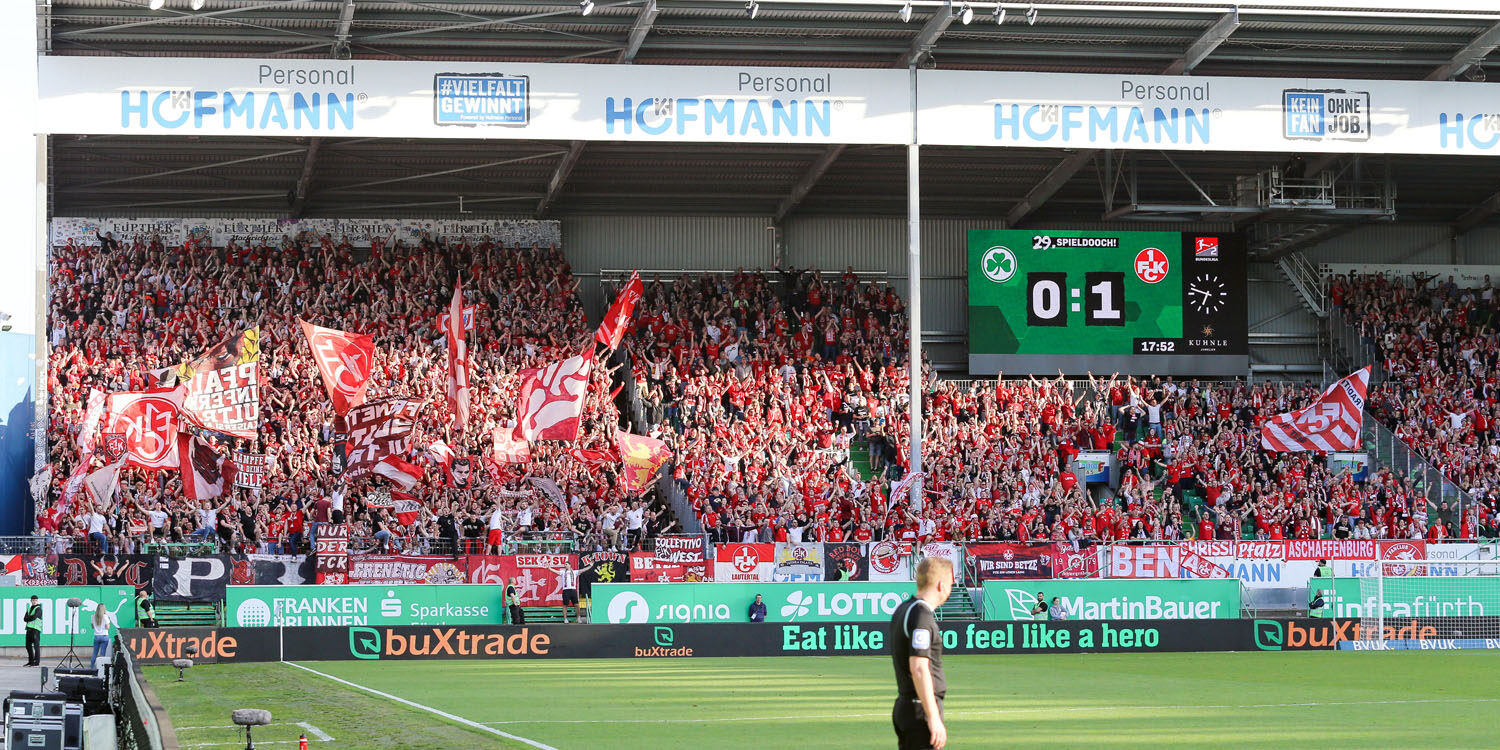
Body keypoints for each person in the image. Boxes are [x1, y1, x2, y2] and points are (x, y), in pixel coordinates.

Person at [890, 556, 952, 750]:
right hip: (919, 710)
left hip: (908, 706)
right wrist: (933, 717)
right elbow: (918, 668)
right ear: (941, 585)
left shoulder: (903, 609)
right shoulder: (921, 616)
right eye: (951, 583)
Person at [89, 603, 118, 672]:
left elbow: (92, 627)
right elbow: (107, 627)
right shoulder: (105, 617)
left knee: (95, 653)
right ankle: (101, 669)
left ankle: (91, 667)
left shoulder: (93, 616)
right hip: (104, 636)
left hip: (96, 636)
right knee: (102, 653)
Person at [23, 595, 42, 667]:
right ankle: (31, 661)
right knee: (28, 646)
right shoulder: (29, 608)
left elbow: (34, 617)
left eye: (35, 600)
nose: (34, 601)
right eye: (33, 600)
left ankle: (36, 662)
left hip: (35, 630)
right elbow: (24, 619)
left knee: (36, 646)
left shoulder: (38, 608)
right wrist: (28, 618)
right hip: (29, 629)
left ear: (37, 601)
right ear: (31, 601)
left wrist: (28, 618)